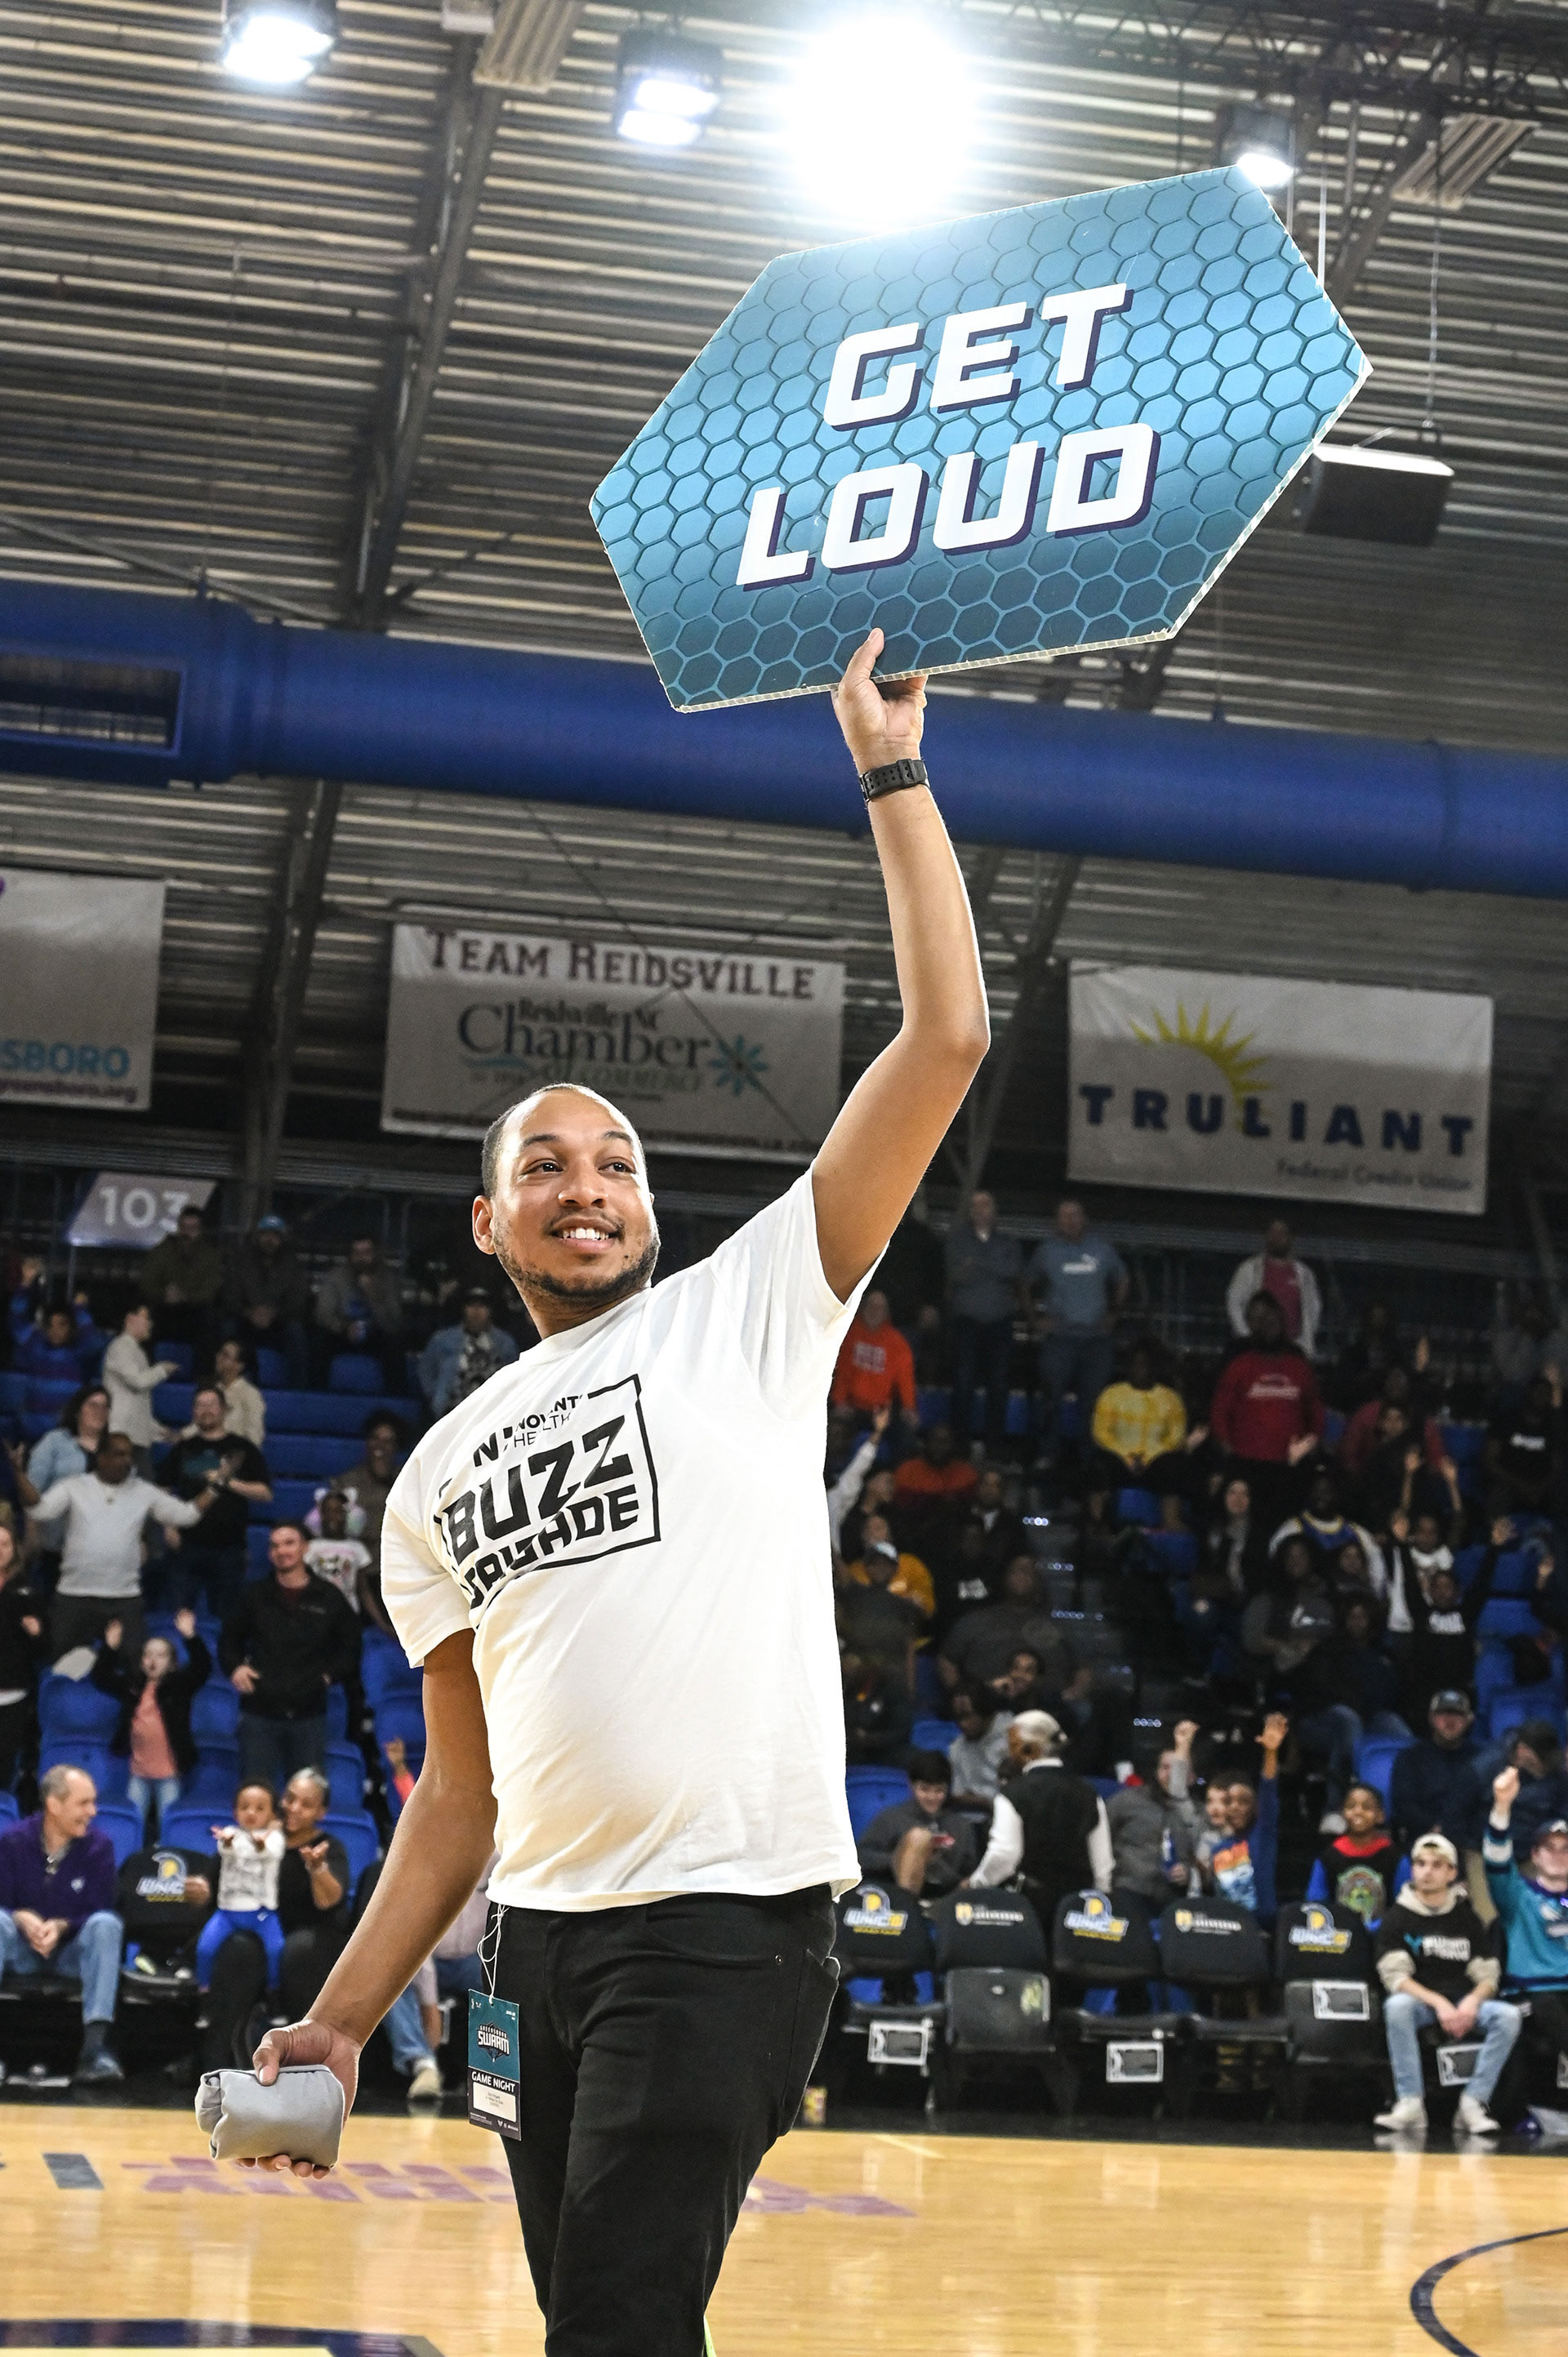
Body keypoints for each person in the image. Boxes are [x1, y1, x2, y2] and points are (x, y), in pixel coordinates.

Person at [241, 626, 991, 2357]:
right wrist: (344, 2024)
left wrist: (891, 770)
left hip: (725, 1927)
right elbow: (455, 1794)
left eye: (619, 1162)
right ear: (490, 1223)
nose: (591, 1185)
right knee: (603, 2320)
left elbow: (946, 1037)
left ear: (649, 1211)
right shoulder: (432, 1476)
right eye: (546, 1166)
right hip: (538, 1960)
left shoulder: (754, 1306)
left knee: (621, 2326)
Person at [197, 1767, 351, 2072]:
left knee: (296, 1952)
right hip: (257, 1929)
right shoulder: (253, 1837)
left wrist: (317, 1868)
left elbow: (329, 1901)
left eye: (306, 1805)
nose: (293, 1808)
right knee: (237, 1948)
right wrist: (201, 1890)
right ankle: (219, 2061)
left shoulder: (328, 1847)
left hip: (311, 1935)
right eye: (290, 1799)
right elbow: (217, 1886)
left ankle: (301, 2065)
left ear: (322, 1812)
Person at [30, 1428, 223, 1660]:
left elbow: (187, 1515)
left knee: (133, 1673)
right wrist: (19, 1473)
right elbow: (39, 1510)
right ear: (101, 1457)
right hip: (75, 1596)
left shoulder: (143, 1491)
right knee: (62, 1668)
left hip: (124, 1598)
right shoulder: (74, 1486)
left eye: (129, 1455)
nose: (127, 1461)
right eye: (118, 1454)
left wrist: (217, 1485)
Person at [1374, 1831, 1518, 2135]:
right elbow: (1396, 1978)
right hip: (1423, 2004)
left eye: (1437, 1865)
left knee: (1509, 2016)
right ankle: (1410, 2102)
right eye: (1421, 1864)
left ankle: (1473, 2103)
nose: (1427, 1871)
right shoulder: (1397, 1917)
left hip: (1463, 2003)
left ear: (1452, 1873)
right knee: (1397, 2006)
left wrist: (1472, 2001)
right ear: (1412, 1869)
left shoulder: (1467, 1918)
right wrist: (1439, 2003)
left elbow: (1488, 1974)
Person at [0, 1765, 125, 2081]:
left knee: (107, 1925)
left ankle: (94, 2052)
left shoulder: (100, 1847)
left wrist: (62, 1926)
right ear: (54, 1805)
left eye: (93, 1802)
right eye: (83, 1803)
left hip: (73, 1954)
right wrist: (20, 1916)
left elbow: (101, 1907)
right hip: (21, 1951)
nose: (93, 1811)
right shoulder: (13, 1841)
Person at [219, 1521, 360, 1795]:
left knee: (307, 1798)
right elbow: (229, 1639)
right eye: (275, 1545)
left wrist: (328, 1676)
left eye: (289, 1543)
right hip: (259, 1712)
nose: (281, 1551)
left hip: (309, 1714)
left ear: (305, 1548)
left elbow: (351, 1647)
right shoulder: (253, 1595)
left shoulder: (330, 1597)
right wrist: (235, 1668)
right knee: (256, 1794)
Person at [966, 1710, 1112, 1922]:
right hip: (1077, 1908)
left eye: (1012, 1745)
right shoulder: (1090, 1793)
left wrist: (976, 1884)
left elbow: (1004, 1855)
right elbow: (1102, 1866)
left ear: (1028, 1749)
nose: (1008, 1752)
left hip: (1028, 1907)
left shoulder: (1013, 1794)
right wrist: (1100, 1902)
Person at [1290, 1595, 1411, 1830]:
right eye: (1352, 1617)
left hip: (1369, 1717)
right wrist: (1359, 1701)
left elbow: (1393, 1692)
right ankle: (1336, 1808)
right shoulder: (1328, 1650)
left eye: (1363, 1617)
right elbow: (1320, 1691)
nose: (1358, 1622)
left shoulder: (1384, 1655)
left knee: (1397, 1728)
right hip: (1320, 1721)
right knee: (1348, 1722)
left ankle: (1398, 1809)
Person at [158, 1384, 273, 1622]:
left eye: (211, 1404)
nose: (206, 1410)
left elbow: (265, 1493)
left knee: (229, 1622)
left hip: (230, 1549)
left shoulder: (243, 1448)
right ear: (193, 1412)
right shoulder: (183, 1448)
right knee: (180, 1618)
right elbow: (161, 1491)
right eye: (200, 1405)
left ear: (224, 1410)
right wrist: (169, 1526)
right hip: (187, 1547)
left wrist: (227, 1481)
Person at [1209, 1293, 1325, 1529]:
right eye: (1265, 1324)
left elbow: (1315, 1411)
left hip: (1288, 1463)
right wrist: (1228, 1451)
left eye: (1275, 1323)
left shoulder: (1299, 1367)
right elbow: (1220, 1412)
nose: (1270, 1329)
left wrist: (1310, 1445)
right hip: (1246, 1461)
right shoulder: (1240, 1365)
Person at [90, 1607, 211, 1828]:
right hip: (139, 1772)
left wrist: (190, 1637)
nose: (153, 1660)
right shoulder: (133, 1685)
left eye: (161, 1655)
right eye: (148, 1654)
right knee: (132, 1822)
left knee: (168, 1823)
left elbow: (203, 1668)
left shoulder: (179, 1686)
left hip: (169, 1773)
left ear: (173, 1663)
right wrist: (110, 1648)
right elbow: (101, 1678)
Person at [381, 1867, 492, 2105]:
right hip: (427, 1956)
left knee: (505, 1979)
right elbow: (416, 1940)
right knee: (391, 1976)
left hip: (477, 1958)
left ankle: (495, 2070)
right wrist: (429, 2007)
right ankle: (423, 2063)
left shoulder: (501, 1856)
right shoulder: (428, 1862)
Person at [1482, 1767, 1568, 2070]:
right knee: (1548, 2004)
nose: (1558, 1855)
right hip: (1531, 1995)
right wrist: (1502, 1806)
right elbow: (1496, 1860)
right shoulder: (1517, 1896)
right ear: (1535, 1855)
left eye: (1566, 1849)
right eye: (1550, 1848)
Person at [1026, 1198, 1127, 1430]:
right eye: (1065, 1216)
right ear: (1057, 1222)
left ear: (1085, 1219)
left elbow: (1123, 1279)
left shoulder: (1102, 1249)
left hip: (1096, 1339)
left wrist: (1113, 1312)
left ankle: (1089, 1461)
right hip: (1060, 1339)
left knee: (1094, 1404)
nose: (1071, 1221)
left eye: (1075, 1215)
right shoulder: (1047, 1251)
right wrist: (1034, 1318)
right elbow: (1025, 1283)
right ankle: (1048, 1456)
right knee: (1050, 1400)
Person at [945, 1189, 1024, 1455]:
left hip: (1000, 1322)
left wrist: (977, 1262)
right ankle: (960, 1447)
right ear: (970, 1212)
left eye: (986, 1205)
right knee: (963, 1383)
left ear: (994, 1211)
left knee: (999, 1385)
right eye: (976, 1206)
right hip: (967, 1322)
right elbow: (956, 1275)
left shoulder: (1008, 1241)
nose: (981, 1210)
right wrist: (991, 1265)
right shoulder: (956, 1240)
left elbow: (1012, 1271)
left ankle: (995, 1446)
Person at [195, 1780, 287, 1991]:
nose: (251, 1813)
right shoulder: (230, 1834)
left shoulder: (275, 1838)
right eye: (244, 1807)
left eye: (260, 1808)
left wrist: (261, 1843)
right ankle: (204, 1992)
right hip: (227, 1912)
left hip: (262, 1913)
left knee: (276, 1950)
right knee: (205, 1949)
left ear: (273, 1815)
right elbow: (226, 1850)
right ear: (235, 1812)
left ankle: (273, 1995)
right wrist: (227, 1841)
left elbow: (270, 1853)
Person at [939, 1555, 1071, 1694]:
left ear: (1038, 1580)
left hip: (1045, 1709)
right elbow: (947, 1661)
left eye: (1027, 1572)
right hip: (986, 1706)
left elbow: (1083, 1668)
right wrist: (962, 1695)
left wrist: (1074, 1694)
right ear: (1004, 1577)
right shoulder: (975, 1620)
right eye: (1015, 1571)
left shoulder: (1057, 1625)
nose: (1021, 1576)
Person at [1196, 1714, 1285, 1917]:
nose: (1234, 1807)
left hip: (1263, 1929)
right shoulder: (1218, 1849)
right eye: (1228, 1802)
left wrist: (1271, 1753)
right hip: (1230, 1929)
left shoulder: (1263, 1834)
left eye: (1243, 1801)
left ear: (1254, 1807)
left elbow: (1269, 1791)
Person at [856, 1749, 978, 1896]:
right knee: (918, 1837)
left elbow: (970, 1872)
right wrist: (901, 1858)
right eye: (925, 1789)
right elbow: (862, 1856)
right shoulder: (892, 1818)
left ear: (948, 1789)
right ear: (912, 1786)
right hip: (897, 1895)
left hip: (946, 1899)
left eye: (939, 1791)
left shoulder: (961, 1826)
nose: (932, 1797)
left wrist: (933, 1864)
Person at [1105, 1718, 1200, 1903]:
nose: (1171, 1774)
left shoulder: (1198, 1814)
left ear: (1191, 1777)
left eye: (1178, 1769)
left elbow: (1201, 1857)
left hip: (1174, 1897)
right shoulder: (1127, 1801)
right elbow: (1102, 1841)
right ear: (1156, 1771)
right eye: (1165, 1767)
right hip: (1128, 1890)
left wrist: (1188, 1873)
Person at [18, 1383, 111, 1569]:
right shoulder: (55, 1442)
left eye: (105, 1407)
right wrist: (32, 1530)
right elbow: (33, 1487)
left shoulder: (114, 1448)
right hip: (57, 1543)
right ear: (78, 1410)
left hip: (102, 1546)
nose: (99, 1411)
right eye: (93, 1405)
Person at [1389, 1691, 1486, 1858]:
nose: (1450, 1720)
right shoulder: (1411, 1758)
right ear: (1431, 1718)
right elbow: (1404, 1805)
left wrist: (1461, 1835)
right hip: (1425, 1839)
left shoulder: (1482, 1758)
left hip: (1470, 1844)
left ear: (1469, 1719)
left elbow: (1487, 1804)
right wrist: (1437, 1830)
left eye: (1457, 1714)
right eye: (1443, 1714)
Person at [1089, 1337, 1187, 1499]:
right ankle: (1097, 1520)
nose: (1138, 1369)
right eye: (1134, 1364)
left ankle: (1171, 1519)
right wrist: (1128, 1457)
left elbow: (1175, 1438)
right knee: (1099, 1464)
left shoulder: (1171, 1399)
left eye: (1144, 1365)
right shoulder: (1111, 1395)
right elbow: (1101, 1434)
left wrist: (1148, 1457)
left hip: (1156, 1462)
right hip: (1119, 1459)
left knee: (1173, 1466)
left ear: (1154, 1367)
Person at [225, 1213, 311, 1390]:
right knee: (228, 1328)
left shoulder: (293, 1264)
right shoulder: (241, 1261)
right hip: (247, 1320)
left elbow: (299, 1300)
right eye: (265, 1234)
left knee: (297, 1333)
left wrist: (274, 1314)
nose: (269, 1239)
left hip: (278, 1322)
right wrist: (249, 1312)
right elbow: (230, 1295)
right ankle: (224, 1384)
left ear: (282, 1239)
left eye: (275, 1235)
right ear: (257, 1236)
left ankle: (298, 1391)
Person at [314, 1232, 405, 1391]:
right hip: (343, 1333)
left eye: (366, 1253)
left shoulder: (389, 1278)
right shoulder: (336, 1277)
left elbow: (394, 1321)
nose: (361, 1258)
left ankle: (396, 1400)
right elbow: (323, 1314)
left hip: (376, 1334)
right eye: (357, 1253)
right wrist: (343, 1327)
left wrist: (373, 1295)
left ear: (375, 1254)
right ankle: (315, 1395)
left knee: (395, 1344)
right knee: (318, 1342)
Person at [1305, 1780, 1401, 1926]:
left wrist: (1376, 1928)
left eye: (1367, 1807)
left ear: (1380, 1815)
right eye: (1351, 1806)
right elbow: (1316, 1904)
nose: (1358, 1811)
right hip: (1338, 1939)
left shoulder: (1395, 1857)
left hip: (1383, 1939)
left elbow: (1403, 1907)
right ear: (1343, 1812)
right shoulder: (1328, 1857)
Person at [140, 1203, 225, 1365]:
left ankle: (203, 1380)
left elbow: (211, 1289)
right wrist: (164, 1294)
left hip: (194, 1312)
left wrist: (186, 1297)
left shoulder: (210, 1256)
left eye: (193, 1228)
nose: (187, 1233)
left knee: (211, 1322)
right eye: (184, 1227)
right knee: (144, 1319)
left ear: (201, 1230)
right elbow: (147, 1283)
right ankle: (144, 1372)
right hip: (165, 1310)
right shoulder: (162, 1252)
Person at [1226, 1218, 1322, 1358]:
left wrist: (1304, 1341)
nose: (1277, 1238)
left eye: (1282, 1234)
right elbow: (1234, 1304)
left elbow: (1313, 1309)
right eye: (1273, 1233)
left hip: (1292, 1348)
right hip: (1256, 1350)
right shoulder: (1249, 1269)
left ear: (1290, 1238)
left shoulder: (1304, 1274)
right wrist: (1246, 1336)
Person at [417, 1287, 520, 1418]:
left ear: (490, 1311)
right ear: (464, 1309)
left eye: (482, 1306)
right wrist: (436, 1396)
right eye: (471, 1305)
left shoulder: (505, 1342)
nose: (476, 1311)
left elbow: (515, 1375)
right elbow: (426, 1370)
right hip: (452, 1409)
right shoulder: (442, 1339)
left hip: (493, 1409)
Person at [830, 1287, 917, 1428]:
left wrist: (908, 1407)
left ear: (887, 1312)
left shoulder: (897, 1343)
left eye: (880, 1307)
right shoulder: (848, 1333)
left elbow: (905, 1379)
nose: (874, 1311)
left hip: (880, 1411)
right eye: (871, 1305)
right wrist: (839, 1401)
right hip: (850, 1407)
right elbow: (842, 1372)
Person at [103, 1303, 177, 1464]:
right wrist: (162, 1370)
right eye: (146, 1318)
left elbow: (137, 1402)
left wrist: (157, 1430)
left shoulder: (137, 1351)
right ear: (130, 1318)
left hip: (135, 1436)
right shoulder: (121, 1347)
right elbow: (138, 1382)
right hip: (122, 1435)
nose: (150, 1324)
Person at [0, 1521, 43, 1789]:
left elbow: (43, 1649)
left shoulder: (27, 1591)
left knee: (4, 1766)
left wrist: (36, 1633)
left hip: (13, 1693)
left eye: (4, 1545)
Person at [1486, 1370, 1562, 1520]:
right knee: (1499, 1493)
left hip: (1540, 1487)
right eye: (1538, 1391)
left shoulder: (1552, 1427)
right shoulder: (1506, 1420)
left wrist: (1540, 1488)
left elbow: (1557, 1466)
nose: (1541, 1397)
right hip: (1509, 1482)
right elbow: (1489, 1460)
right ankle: (1495, 1538)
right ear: (1529, 1393)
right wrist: (1520, 1485)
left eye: (1547, 1393)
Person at [843, 1513, 934, 1620]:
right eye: (868, 1530)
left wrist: (914, 1603)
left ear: (889, 1535)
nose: (873, 1533)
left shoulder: (911, 1564)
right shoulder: (854, 1570)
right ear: (862, 1537)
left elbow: (928, 1609)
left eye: (878, 1528)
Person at [1502, 1718, 1568, 1860]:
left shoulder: (1558, 1776)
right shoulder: (1489, 1768)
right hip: (1489, 1851)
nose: (1546, 1763)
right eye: (1541, 1756)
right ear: (1522, 1750)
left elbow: (1562, 1815)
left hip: (1537, 1853)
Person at [8, 1290, 103, 1385]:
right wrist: (24, 1288)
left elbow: (90, 1335)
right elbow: (16, 1320)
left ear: (72, 1328)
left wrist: (78, 1308)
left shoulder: (79, 1354)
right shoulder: (36, 1349)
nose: (55, 1330)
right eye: (50, 1324)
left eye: (62, 1324)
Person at [305, 1490, 374, 1617]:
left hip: (348, 1615)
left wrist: (383, 1624)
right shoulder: (310, 1547)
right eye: (327, 1511)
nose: (332, 1516)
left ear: (348, 1515)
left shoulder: (358, 1548)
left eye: (338, 1511)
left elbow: (364, 1591)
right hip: (317, 1614)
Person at [840, 1649, 914, 1767]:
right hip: (855, 1753)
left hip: (890, 1753)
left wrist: (870, 1739)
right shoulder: (849, 1686)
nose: (849, 1664)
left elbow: (901, 1730)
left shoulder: (892, 1686)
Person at [946, 1686, 1013, 1806]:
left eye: (968, 1716)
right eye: (958, 1717)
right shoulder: (956, 1748)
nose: (962, 1724)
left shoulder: (1014, 1739)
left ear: (986, 1714)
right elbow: (959, 1795)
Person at [214, 1336, 267, 1448]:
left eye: (226, 1356)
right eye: (220, 1353)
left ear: (239, 1365)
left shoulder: (251, 1394)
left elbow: (254, 1438)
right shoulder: (212, 1389)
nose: (219, 1358)